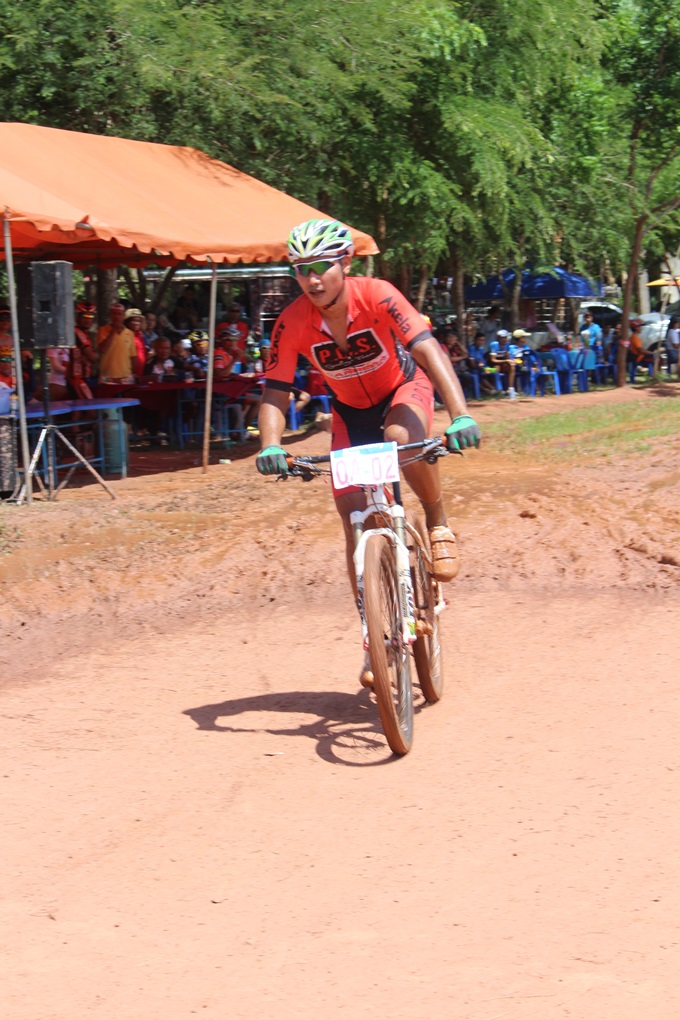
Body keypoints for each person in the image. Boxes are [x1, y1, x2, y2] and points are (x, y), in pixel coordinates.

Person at [255, 218, 481, 681]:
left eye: (321, 266)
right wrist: (270, 445)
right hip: (350, 413)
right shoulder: (291, 321)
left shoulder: (378, 294)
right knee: (352, 516)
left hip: (403, 389)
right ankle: (373, 633)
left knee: (399, 440)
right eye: (301, 269)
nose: (312, 279)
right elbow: (275, 391)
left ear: (345, 262)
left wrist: (460, 414)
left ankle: (436, 518)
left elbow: (428, 350)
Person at [96, 301, 138, 381]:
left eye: (119, 314)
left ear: (123, 316)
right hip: (107, 377)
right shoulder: (102, 330)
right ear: (110, 315)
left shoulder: (130, 333)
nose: (116, 317)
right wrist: (113, 331)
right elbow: (102, 349)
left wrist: (134, 374)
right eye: (114, 314)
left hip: (125, 377)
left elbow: (133, 356)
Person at [68, 301, 97, 399]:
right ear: (78, 317)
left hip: (83, 378)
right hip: (78, 379)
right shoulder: (78, 332)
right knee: (90, 406)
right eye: (84, 316)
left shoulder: (85, 333)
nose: (87, 320)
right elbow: (92, 357)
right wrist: (98, 353)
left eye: (90, 316)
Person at [488, 329, 518, 398]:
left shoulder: (507, 345)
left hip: (502, 363)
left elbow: (507, 357)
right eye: (502, 338)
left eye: (505, 337)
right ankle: (499, 390)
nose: (504, 339)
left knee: (511, 366)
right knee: (497, 368)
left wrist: (511, 361)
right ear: (498, 338)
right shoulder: (494, 344)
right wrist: (506, 361)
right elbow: (493, 360)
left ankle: (510, 389)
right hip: (491, 366)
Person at [124, 308, 147, 377]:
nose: (137, 323)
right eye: (134, 320)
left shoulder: (140, 335)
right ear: (127, 322)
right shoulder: (124, 335)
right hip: (128, 374)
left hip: (141, 373)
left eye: (139, 321)